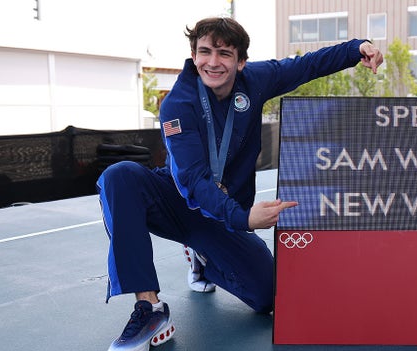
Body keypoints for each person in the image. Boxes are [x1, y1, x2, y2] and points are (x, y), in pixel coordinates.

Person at [97, 16, 383, 351]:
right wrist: (245, 219)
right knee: (120, 176)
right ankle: (149, 309)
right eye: (205, 52)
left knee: (265, 296)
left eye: (224, 53)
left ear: (241, 61)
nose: (213, 62)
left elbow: (306, 65)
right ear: (193, 54)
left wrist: (356, 48)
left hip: (223, 213)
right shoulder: (177, 104)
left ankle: (203, 256)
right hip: (177, 201)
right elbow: (191, 179)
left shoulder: (256, 80)